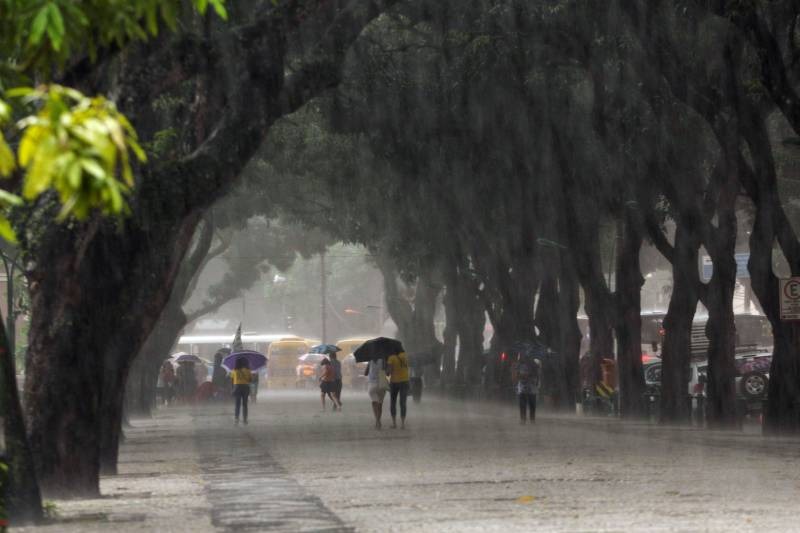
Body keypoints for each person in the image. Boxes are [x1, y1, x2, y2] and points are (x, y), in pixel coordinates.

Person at [512, 354, 540, 424]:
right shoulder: (520, 365)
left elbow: (537, 375)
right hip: (525, 387)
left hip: (530, 387)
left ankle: (530, 419)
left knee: (530, 404)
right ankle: (524, 419)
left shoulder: (534, 364)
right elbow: (516, 375)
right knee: (525, 403)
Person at [387, 351, 410, 429]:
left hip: (394, 382)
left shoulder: (391, 357)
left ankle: (394, 423)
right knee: (403, 403)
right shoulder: (405, 355)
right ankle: (403, 424)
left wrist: (386, 367)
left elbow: (388, 373)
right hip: (405, 381)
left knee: (393, 402)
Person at [365, 357, 388, 429]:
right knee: (380, 403)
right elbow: (387, 373)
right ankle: (378, 420)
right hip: (382, 382)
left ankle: (377, 421)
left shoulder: (370, 360)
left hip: (372, 383)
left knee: (374, 402)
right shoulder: (384, 360)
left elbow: (365, 373)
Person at [231, 357, 252, 425]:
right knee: (245, 404)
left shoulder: (234, 370)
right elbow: (250, 380)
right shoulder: (248, 370)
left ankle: (236, 419)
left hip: (237, 387)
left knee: (237, 404)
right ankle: (245, 419)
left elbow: (232, 379)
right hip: (245, 387)